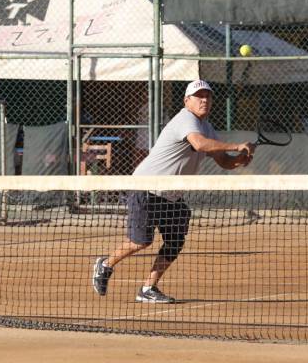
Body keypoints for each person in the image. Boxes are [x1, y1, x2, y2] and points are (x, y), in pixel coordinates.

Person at [92, 79, 256, 304]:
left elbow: (224, 162)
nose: (204, 100)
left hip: (172, 195)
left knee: (175, 240)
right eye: (199, 96)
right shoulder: (184, 119)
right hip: (146, 188)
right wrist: (236, 145)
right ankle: (105, 264)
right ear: (187, 101)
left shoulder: (207, 127)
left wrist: (240, 159)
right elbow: (200, 145)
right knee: (140, 242)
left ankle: (149, 288)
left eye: (208, 96)